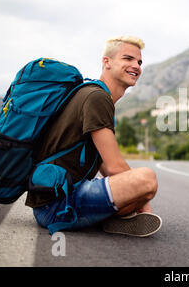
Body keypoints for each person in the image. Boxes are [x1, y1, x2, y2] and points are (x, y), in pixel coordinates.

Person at [25, 36, 161, 237]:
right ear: (107, 62)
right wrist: (143, 201)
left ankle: (106, 217)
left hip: (52, 202)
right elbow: (115, 166)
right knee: (147, 179)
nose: (136, 66)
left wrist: (134, 196)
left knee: (140, 183)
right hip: (57, 206)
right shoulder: (97, 98)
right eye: (128, 59)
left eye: (139, 62)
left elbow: (105, 166)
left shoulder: (93, 94)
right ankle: (108, 217)